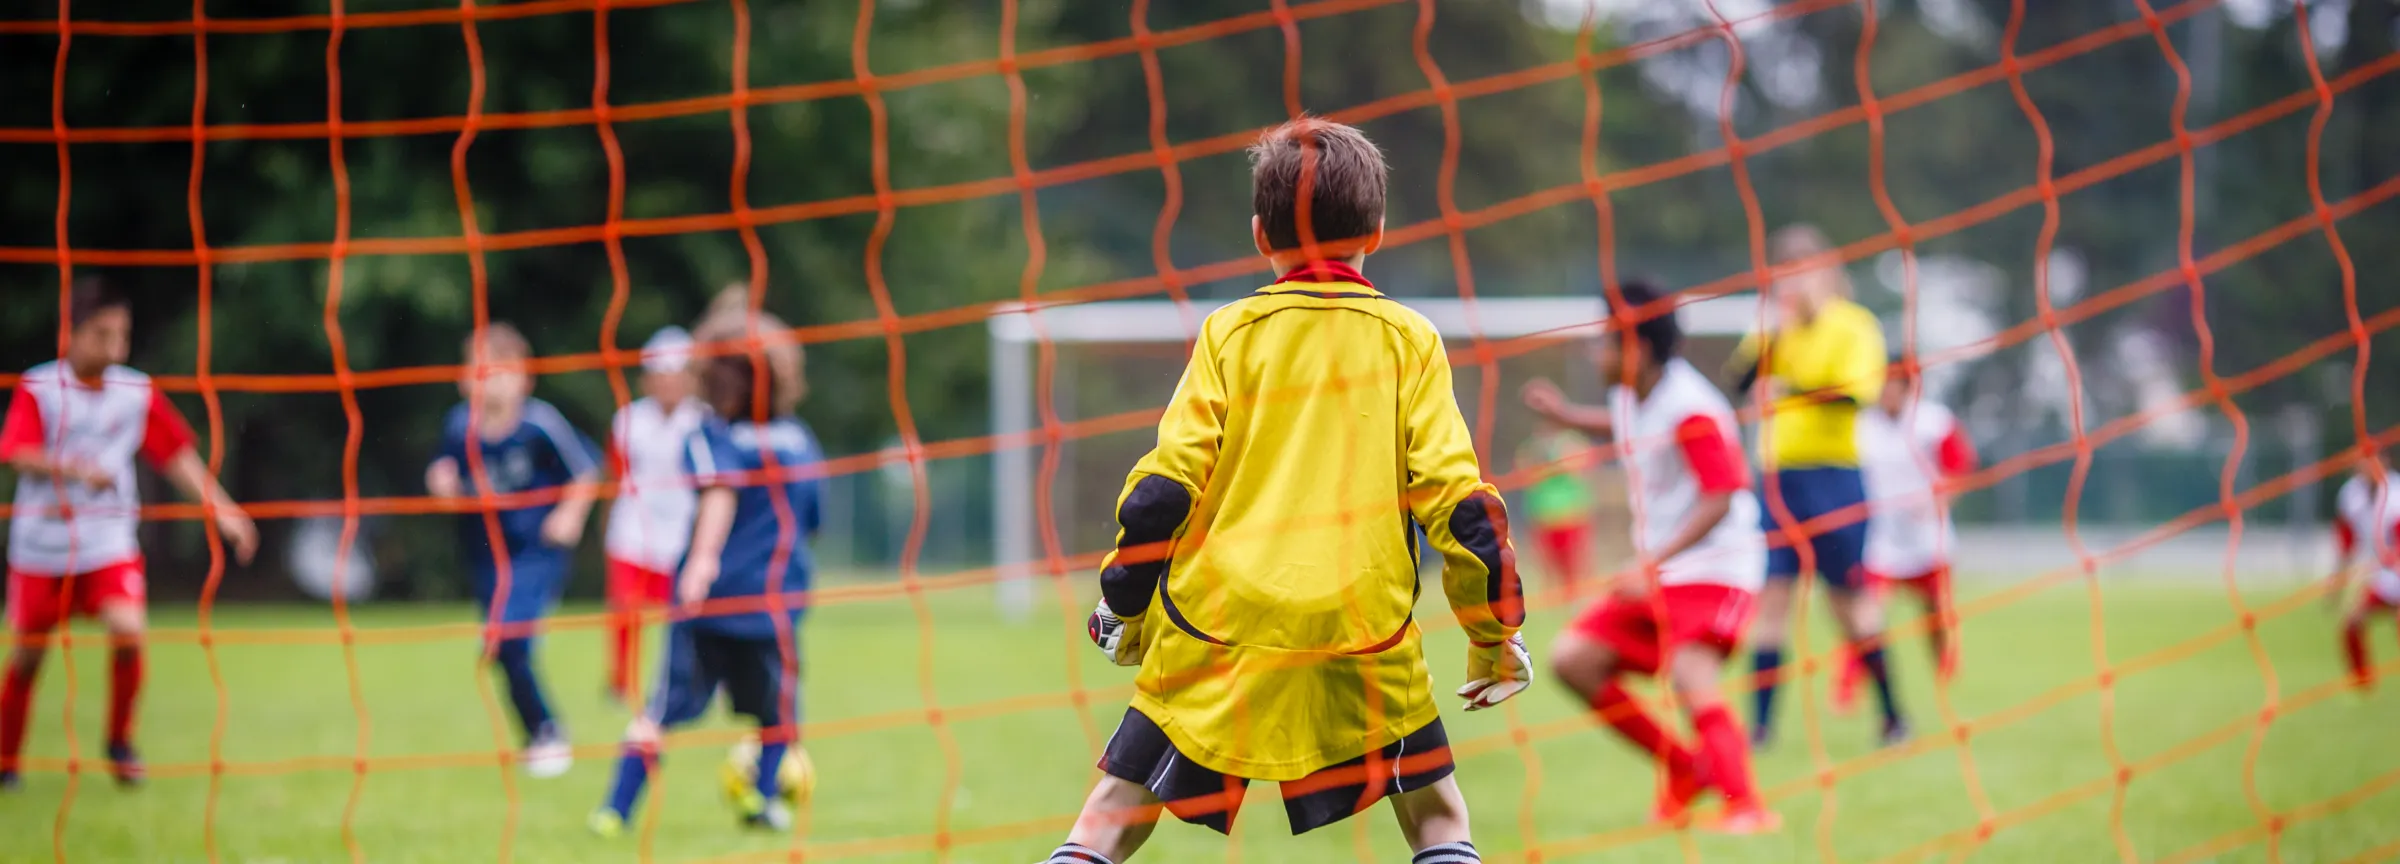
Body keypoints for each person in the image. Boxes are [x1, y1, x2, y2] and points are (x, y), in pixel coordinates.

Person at [1046, 117, 1529, 864]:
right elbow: (1458, 503)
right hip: (1359, 630)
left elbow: (1162, 493)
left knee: (1110, 818)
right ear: (1377, 227)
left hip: (1218, 626)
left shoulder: (1229, 333)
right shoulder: (1410, 339)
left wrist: (1122, 604)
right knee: (1437, 818)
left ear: (1258, 234)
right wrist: (1493, 635)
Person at [1523, 280, 1779, 834]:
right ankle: (1686, 769)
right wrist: (1567, 416)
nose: (1597, 353)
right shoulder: (1630, 395)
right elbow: (1625, 428)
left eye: (1606, 343)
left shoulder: (1692, 408)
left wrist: (1650, 562)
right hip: (1663, 571)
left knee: (1692, 673)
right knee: (1572, 660)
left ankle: (1749, 809)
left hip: (1717, 569)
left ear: (1635, 351)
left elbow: (1724, 491)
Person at [0, 280, 260, 790]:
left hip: (107, 545)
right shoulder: (39, 387)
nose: (115, 347)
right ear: (72, 333)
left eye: (123, 335)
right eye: (102, 334)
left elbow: (177, 456)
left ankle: (120, 743)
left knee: (128, 630)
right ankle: (7, 759)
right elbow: (15, 451)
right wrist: (73, 470)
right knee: (29, 655)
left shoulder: (135, 392)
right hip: (42, 548)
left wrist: (224, 511)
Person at [591, 303, 819, 835]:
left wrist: (703, 559)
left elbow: (718, 492)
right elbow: (806, 520)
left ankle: (614, 811)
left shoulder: (709, 436)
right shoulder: (802, 442)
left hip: (706, 599)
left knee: (660, 711)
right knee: (778, 713)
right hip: (771, 603)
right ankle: (764, 800)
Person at [1723, 225, 1906, 748]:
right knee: (1772, 599)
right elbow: (1737, 381)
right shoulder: (1772, 326)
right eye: (1785, 270)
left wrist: (1790, 389)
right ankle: (1760, 729)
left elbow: (1856, 396)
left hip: (1835, 479)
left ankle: (1893, 716)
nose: (1794, 280)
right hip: (1778, 480)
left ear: (1828, 270)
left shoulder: (1854, 325)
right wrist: (1772, 334)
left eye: (1803, 269)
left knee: (1849, 605)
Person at [426, 323, 601, 778]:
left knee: (509, 640)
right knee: (501, 650)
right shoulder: (459, 425)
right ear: (464, 379)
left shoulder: (540, 424)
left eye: (503, 372)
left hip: (536, 551)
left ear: (525, 379)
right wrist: (440, 483)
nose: (492, 382)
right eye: (482, 372)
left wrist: (569, 516)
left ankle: (548, 732)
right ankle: (537, 732)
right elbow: (446, 473)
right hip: (486, 554)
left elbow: (585, 473)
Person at [1835, 357, 1977, 712]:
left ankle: (1946, 667)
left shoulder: (1934, 422)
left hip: (1929, 538)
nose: (1885, 392)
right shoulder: (1861, 426)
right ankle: (1847, 688)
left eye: (1891, 385)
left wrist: (1939, 502)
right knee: (1868, 614)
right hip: (1881, 539)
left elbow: (1960, 466)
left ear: (1907, 387)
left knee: (1936, 614)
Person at [602, 326, 707, 705]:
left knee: (685, 614)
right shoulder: (628, 420)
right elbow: (615, 475)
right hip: (632, 528)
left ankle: (687, 679)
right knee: (625, 610)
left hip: (682, 531)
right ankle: (621, 683)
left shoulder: (702, 421)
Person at [2328, 448, 2400, 692]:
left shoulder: (2396, 495)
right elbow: (2346, 543)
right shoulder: (2351, 493)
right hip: (2383, 578)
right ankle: (2362, 683)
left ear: (2385, 461)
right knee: (2351, 623)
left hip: (2396, 572)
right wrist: (2337, 581)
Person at [1516, 418, 1599, 600]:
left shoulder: (1571, 443)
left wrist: (1557, 464)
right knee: (1548, 564)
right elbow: (1524, 473)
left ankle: (1577, 598)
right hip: (1543, 514)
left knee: (1575, 563)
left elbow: (1582, 467)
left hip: (1571, 513)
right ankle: (1554, 600)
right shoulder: (1532, 448)